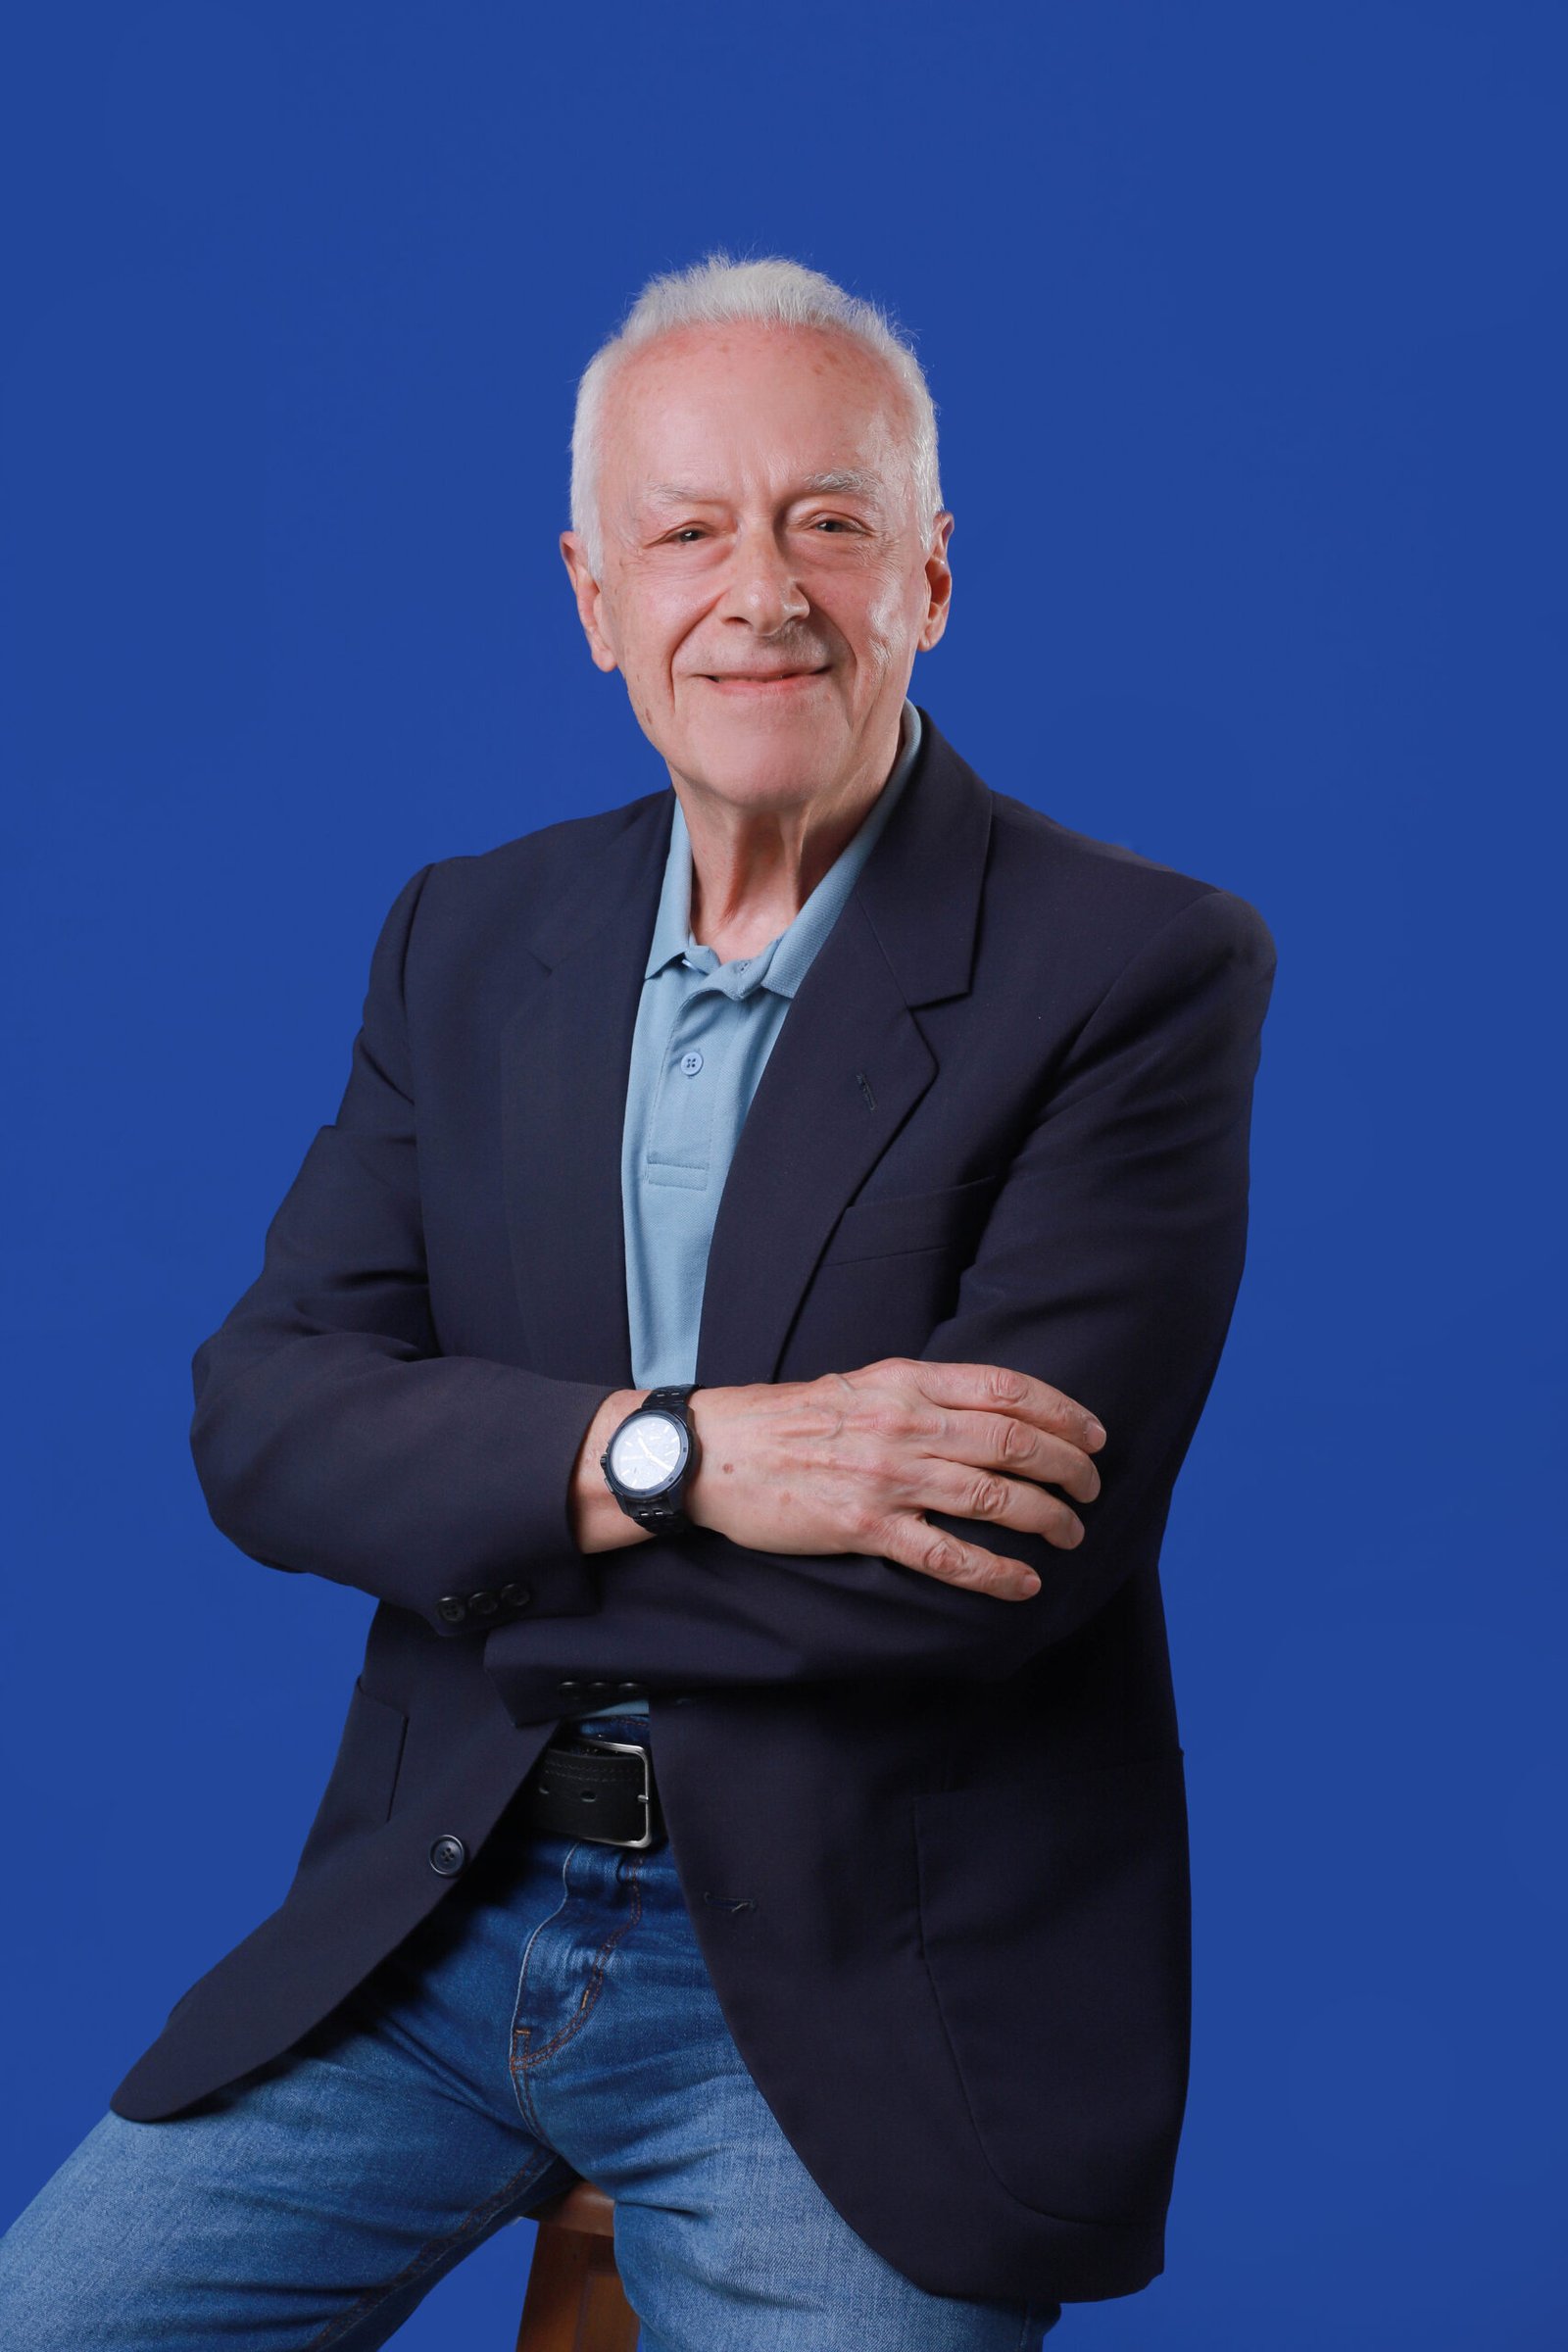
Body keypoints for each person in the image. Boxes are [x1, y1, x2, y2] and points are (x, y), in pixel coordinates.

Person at [0, 250, 1277, 2349]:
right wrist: (689, 1456)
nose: (758, 592)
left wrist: (486, 1539)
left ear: (928, 576)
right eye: (687, 532)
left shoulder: (1133, 969)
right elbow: (265, 1417)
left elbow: (987, 1571)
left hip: (848, 1992)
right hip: (436, 1918)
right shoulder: (466, 935)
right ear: (596, 598)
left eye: (827, 521)